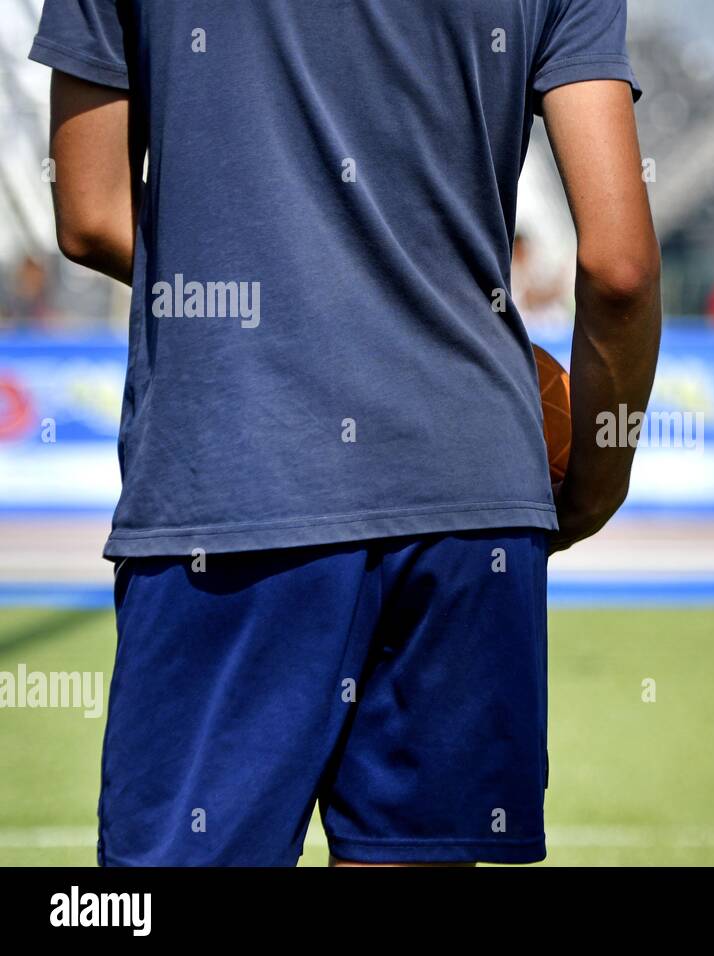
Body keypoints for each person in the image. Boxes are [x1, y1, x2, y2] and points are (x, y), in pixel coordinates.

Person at [32, 0, 660, 866]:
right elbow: (619, 267)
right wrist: (600, 476)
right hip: (468, 486)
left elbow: (91, 212)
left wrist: (273, 276)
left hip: (239, 471)